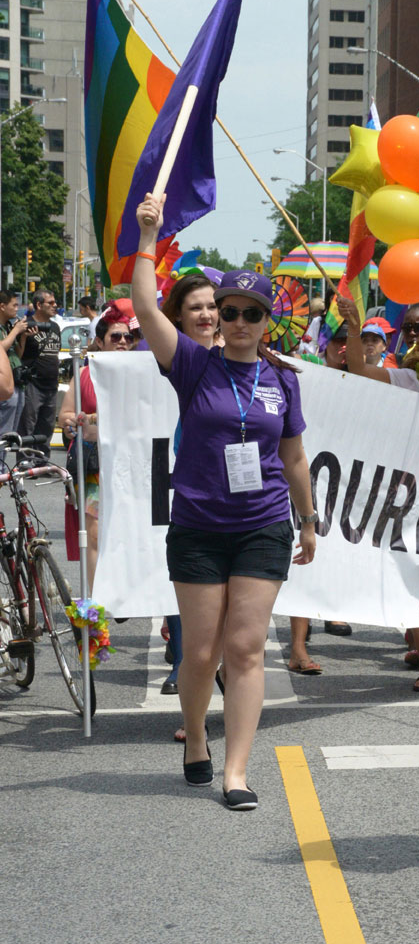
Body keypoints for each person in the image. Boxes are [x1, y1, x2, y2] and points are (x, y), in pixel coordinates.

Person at [132, 193, 317, 811]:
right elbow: (143, 307)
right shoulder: (191, 364)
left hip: (263, 525)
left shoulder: (284, 379)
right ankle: (195, 743)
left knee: (245, 648)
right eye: (228, 310)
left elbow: (294, 458)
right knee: (201, 649)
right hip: (199, 526)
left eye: (250, 313)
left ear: (267, 320)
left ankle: (236, 771)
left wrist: (309, 521)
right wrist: (147, 237)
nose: (237, 321)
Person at [336, 293, 419, 689]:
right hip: (413, 494)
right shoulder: (410, 381)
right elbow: (358, 370)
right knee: (415, 573)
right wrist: (356, 328)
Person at [155, 272, 220, 704]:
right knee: (194, 584)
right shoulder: (179, 356)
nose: (207, 314)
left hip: (245, 496)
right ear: (178, 315)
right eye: (195, 307)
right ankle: (185, 662)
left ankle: (231, 685)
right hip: (191, 483)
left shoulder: (246, 347)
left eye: (213, 306)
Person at [57, 305, 140, 587]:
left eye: (128, 338)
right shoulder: (84, 375)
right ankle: (95, 605)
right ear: (101, 341)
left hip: (135, 467)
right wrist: (80, 420)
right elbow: (66, 415)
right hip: (94, 468)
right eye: (116, 337)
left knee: (136, 530)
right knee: (93, 532)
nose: (122, 342)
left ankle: (128, 591)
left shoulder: (144, 374)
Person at [19, 289, 61, 439]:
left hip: (51, 385)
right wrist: (24, 337)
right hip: (32, 385)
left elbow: (55, 353)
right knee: (27, 429)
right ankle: (25, 462)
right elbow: (18, 356)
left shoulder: (55, 327)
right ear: (38, 305)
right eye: (50, 303)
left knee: (46, 429)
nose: (55, 305)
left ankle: (42, 461)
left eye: (55, 302)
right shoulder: (26, 325)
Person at [0, 292, 29, 435]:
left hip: (16, 382)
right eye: (14, 305)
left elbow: (17, 354)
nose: (17, 308)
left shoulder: (7, 327)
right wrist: (16, 331)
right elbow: (1, 348)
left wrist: (22, 337)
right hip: (4, 384)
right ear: (2, 306)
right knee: (3, 430)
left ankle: (3, 456)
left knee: (10, 433)